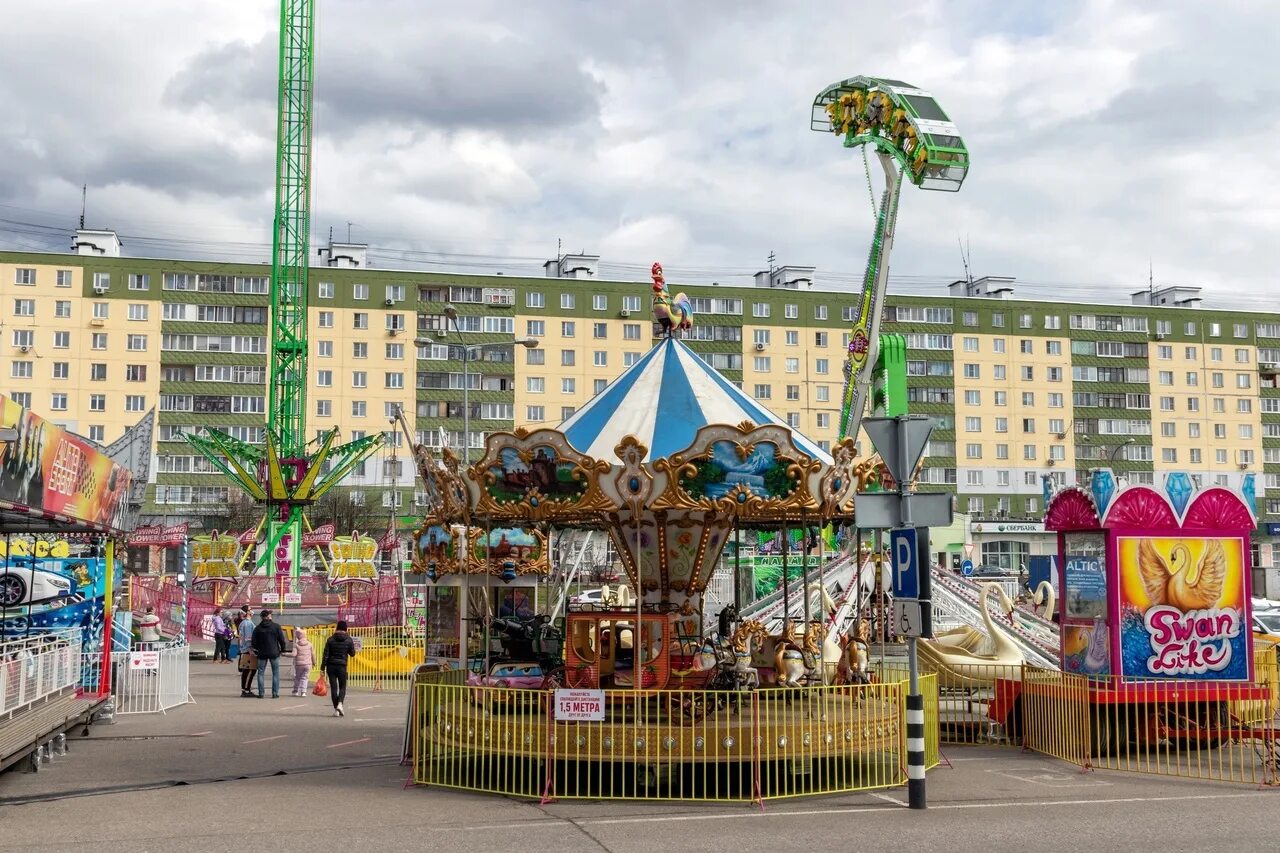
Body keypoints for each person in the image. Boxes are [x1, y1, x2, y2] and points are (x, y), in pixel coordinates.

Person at [320, 620, 358, 717]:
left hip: (331, 666)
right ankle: (340, 704)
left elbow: (325, 655)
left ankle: (336, 709)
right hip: (342, 666)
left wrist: (322, 668)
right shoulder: (349, 639)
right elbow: (352, 654)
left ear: (337, 628)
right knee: (342, 687)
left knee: (334, 687)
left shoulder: (330, 639)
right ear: (346, 628)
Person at [252, 609, 288, 699]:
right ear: (268, 617)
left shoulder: (257, 628)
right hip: (274, 652)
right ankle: (275, 693)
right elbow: (281, 640)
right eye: (270, 615)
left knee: (260, 673)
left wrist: (257, 649)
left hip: (262, 653)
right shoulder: (276, 626)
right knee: (275, 673)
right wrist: (283, 650)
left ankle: (261, 693)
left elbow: (254, 642)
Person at [289, 627, 314, 697]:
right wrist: (314, 662)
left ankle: (296, 691)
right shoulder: (310, 644)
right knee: (305, 678)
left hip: (299, 664)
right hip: (308, 664)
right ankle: (303, 692)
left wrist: (285, 654)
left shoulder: (296, 645)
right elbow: (313, 654)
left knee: (297, 677)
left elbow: (294, 654)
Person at [237, 612, 257, 697]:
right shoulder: (248, 623)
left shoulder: (243, 623)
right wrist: (250, 649)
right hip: (248, 650)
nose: (252, 611)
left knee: (246, 670)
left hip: (244, 649)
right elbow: (248, 637)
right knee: (250, 670)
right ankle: (246, 690)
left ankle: (245, 689)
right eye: (250, 609)